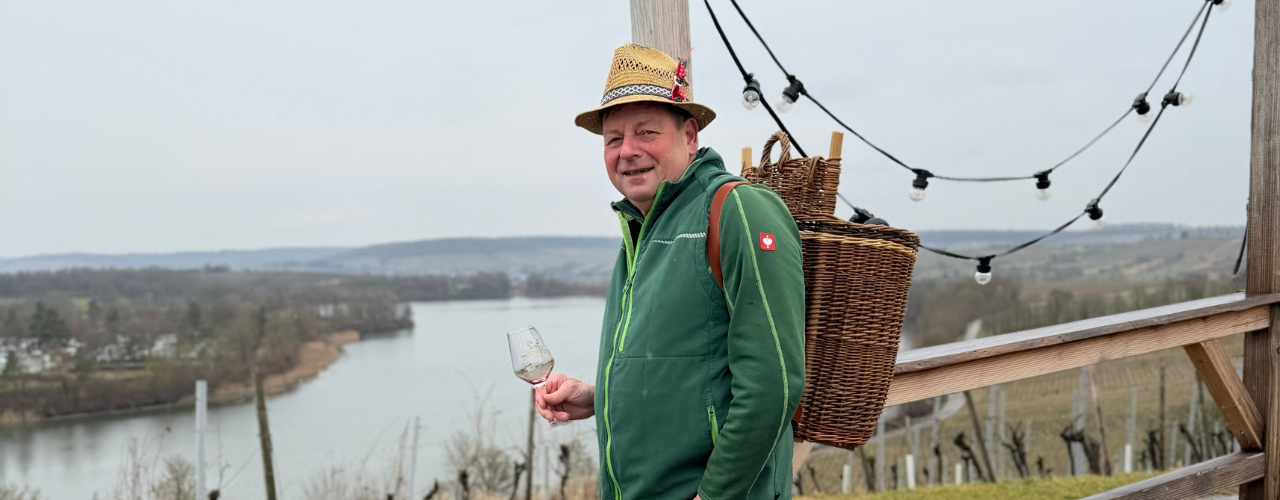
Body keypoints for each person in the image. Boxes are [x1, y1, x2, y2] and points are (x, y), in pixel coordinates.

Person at [534, 44, 805, 500]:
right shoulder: (639, 231)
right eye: (613, 139)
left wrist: (715, 495)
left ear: (690, 136)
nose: (628, 151)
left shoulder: (737, 209)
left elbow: (773, 383)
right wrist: (598, 396)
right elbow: (684, 373)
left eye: (646, 132)